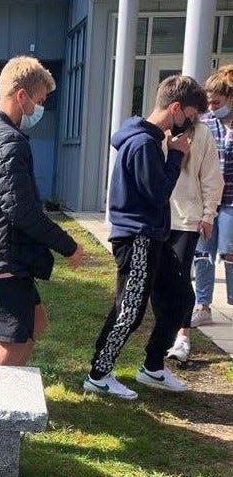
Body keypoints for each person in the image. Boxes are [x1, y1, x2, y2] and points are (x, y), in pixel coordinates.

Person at [83, 75, 205, 399]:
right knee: (130, 309)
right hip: (138, 237)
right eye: (189, 118)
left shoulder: (149, 139)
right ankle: (99, 373)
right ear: (176, 108)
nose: (188, 127)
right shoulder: (143, 143)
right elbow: (158, 192)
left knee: (181, 298)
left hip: (153, 237)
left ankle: (153, 367)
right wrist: (176, 154)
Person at [0, 55, 83, 366]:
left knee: (35, 323)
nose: (40, 109)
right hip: (2, 259)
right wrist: (68, 246)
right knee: (12, 345)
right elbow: (21, 211)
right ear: (21, 96)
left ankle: (7, 394)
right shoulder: (8, 142)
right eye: (40, 100)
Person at [164, 112, 223, 362]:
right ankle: (164, 334)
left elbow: (212, 177)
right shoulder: (160, 130)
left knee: (181, 279)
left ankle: (182, 336)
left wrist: (209, 214)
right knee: (161, 281)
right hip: (159, 217)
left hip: (187, 219)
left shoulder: (202, 133)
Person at [190, 66, 233, 326]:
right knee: (202, 253)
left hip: (231, 200)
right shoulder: (205, 123)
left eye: (216, 102)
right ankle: (203, 306)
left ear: (230, 97)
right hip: (207, 200)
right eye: (209, 102)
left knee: (230, 252)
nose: (211, 106)